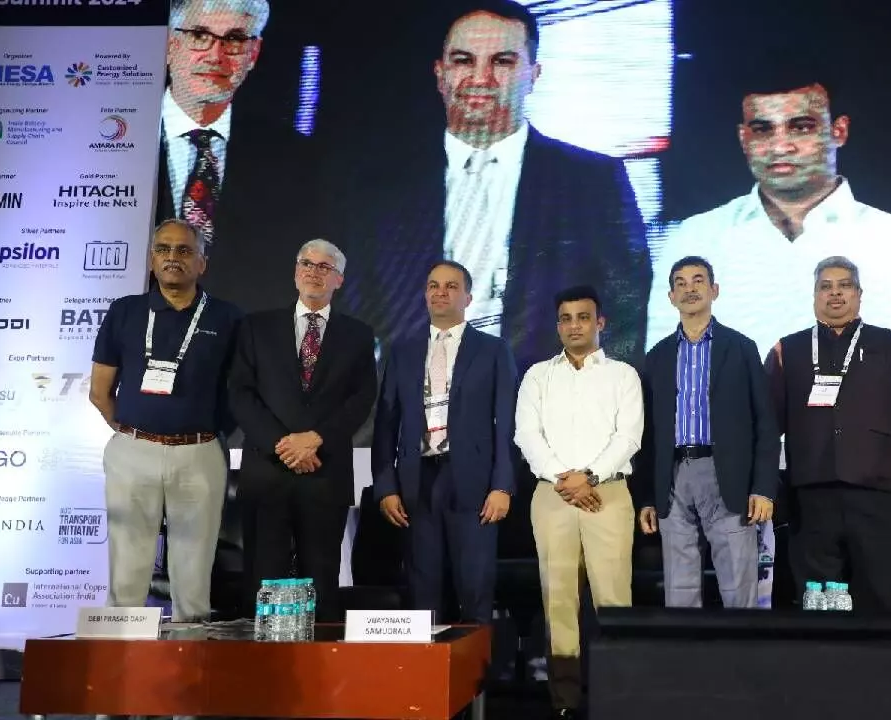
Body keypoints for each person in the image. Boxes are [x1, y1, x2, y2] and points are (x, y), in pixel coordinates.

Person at [339, 0, 650, 370]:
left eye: (502, 62)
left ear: (534, 74)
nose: (481, 79)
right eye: (463, 60)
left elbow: (625, 317)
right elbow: (356, 322)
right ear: (440, 75)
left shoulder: (594, 182)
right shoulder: (380, 189)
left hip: (549, 412)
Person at [647, 67, 891, 385]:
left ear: (839, 131)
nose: (780, 146)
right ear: (743, 138)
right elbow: (666, 379)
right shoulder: (695, 239)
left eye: (800, 127)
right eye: (763, 130)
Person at [88, 219, 241, 622]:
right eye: (164, 249)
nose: (173, 258)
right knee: (127, 564)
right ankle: (122, 664)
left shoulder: (227, 318)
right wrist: (132, 432)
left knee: (194, 569)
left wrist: (206, 432)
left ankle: (190, 663)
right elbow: (99, 390)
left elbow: (239, 391)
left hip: (200, 452)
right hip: (133, 450)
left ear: (202, 263)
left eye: (185, 251)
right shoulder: (125, 311)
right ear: (152, 258)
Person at [764, 256, 891, 613]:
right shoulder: (786, 349)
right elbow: (766, 425)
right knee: (822, 601)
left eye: (844, 286)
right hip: (810, 499)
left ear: (859, 294)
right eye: (825, 287)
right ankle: (827, 665)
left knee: (879, 594)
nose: (835, 294)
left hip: (876, 496)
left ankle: (878, 666)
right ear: (814, 296)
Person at [227, 239, 377, 622]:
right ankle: (261, 669)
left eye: (325, 267)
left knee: (322, 579)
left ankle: (320, 667)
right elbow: (241, 393)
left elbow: (361, 399)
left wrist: (314, 439)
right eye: (306, 263)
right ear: (295, 272)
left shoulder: (359, 335)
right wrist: (283, 445)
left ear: (339, 280)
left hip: (325, 471)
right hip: (267, 471)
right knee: (262, 577)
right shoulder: (256, 327)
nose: (314, 271)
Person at [514, 285, 641, 718]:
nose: (574, 325)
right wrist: (564, 480)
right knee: (559, 602)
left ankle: (619, 698)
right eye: (566, 318)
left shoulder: (622, 375)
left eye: (583, 317)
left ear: (600, 322)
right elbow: (527, 435)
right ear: (558, 325)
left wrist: (588, 477)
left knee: (613, 601)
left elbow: (628, 437)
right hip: (552, 495)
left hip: (607, 494)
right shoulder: (537, 376)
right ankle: (564, 702)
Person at [371, 260, 516, 624]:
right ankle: (426, 677)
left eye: (451, 286)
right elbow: (386, 423)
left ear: (467, 297)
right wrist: (386, 486)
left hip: (474, 481)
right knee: (423, 589)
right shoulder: (402, 350)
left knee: (475, 588)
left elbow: (508, 423)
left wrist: (502, 485)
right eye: (433, 285)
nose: (440, 292)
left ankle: (478, 678)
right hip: (417, 482)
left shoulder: (493, 350)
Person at [158, 0, 323, 313]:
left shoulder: (297, 158)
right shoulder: (119, 137)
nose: (215, 55)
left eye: (234, 40)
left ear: (254, 53)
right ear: (170, 44)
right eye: (199, 35)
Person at [638, 256, 779, 609]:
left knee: (738, 586)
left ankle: (742, 663)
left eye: (698, 280)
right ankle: (684, 663)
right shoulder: (657, 356)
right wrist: (646, 497)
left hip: (726, 474)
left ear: (714, 290)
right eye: (681, 283)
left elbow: (765, 423)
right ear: (670, 296)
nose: (690, 289)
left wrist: (763, 487)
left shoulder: (742, 348)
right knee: (679, 589)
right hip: (673, 474)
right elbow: (648, 435)